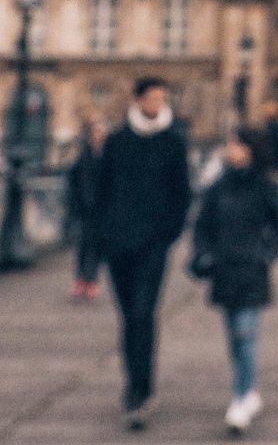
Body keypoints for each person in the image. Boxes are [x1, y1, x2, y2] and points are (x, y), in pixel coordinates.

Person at [95, 77, 192, 430]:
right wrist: (102, 236)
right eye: (152, 98)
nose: (158, 104)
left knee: (142, 313)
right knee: (128, 316)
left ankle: (139, 390)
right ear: (137, 101)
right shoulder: (117, 141)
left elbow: (183, 193)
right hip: (118, 244)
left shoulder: (173, 142)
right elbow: (100, 191)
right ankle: (135, 380)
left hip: (153, 245)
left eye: (162, 99)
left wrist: (169, 233)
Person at [191, 126, 278, 435]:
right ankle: (250, 388)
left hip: (252, 270)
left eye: (235, 145)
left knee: (245, 334)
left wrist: (266, 255)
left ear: (249, 150)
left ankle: (241, 398)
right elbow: (202, 226)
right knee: (235, 336)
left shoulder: (264, 187)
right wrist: (203, 254)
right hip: (224, 269)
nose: (229, 149)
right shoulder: (217, 186)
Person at [66, 117, 107, 301]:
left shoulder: (109, 157)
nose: (99, 136)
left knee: (95, 247)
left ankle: (91, 280)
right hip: (84, 210)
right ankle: (81, 280)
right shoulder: (84, 157)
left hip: (102, 211)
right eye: (96, 133)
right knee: (83, 246)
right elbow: (73, 180)